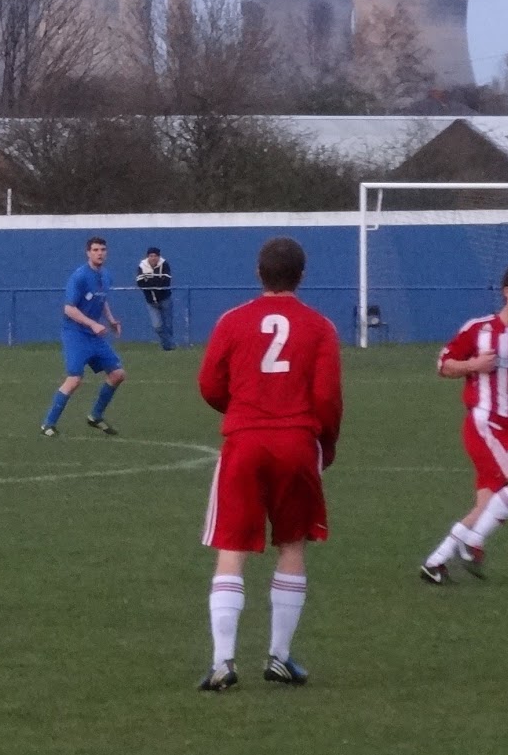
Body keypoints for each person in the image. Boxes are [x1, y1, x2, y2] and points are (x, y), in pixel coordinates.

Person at [195, 237, 342, 692]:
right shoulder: (319, 327)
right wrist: (326, 444)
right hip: (297, 441)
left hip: (245, 440)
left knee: (231, 547)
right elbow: (327, 397)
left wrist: (241, 409)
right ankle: (278, 656)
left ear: (259, 274)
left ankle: (223, 662)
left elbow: (208, 383)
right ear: (302, 275)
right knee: (292, 545)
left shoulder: (232, 321)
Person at [419, 263, 508, 585]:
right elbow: (443, 365)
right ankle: (472, 542)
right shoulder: (480, 330)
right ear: (507, 291)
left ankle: (436, 562)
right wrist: (474, 364)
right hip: (485, 422)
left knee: (486, 505)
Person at [41, 236, 124, 437]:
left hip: (95, 335)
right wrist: (93, 323)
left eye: (103, 249)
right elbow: (69, 309)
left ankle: (95, 416)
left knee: (118, 374)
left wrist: (111, 320)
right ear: (88, 252)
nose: (100, 253)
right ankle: (47, 425)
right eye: (95, 250)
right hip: (76, 334)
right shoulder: (79, 277)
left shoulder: (106, 276)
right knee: (74, 379)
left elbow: (101, 300)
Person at [136, 246, 176, 351]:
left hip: (165, 299)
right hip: (150, 301)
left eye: (155, 256)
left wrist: (149, 281)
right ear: (148, 257)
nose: (153, 258)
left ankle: (168, 348)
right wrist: (156, 281)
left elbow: (166, 282)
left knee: (168, 325)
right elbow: (140, 283)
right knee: (157, 326)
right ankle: (169, 345)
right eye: (151, 256)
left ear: (159, 257)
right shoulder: (142, 266)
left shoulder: (164, 264)